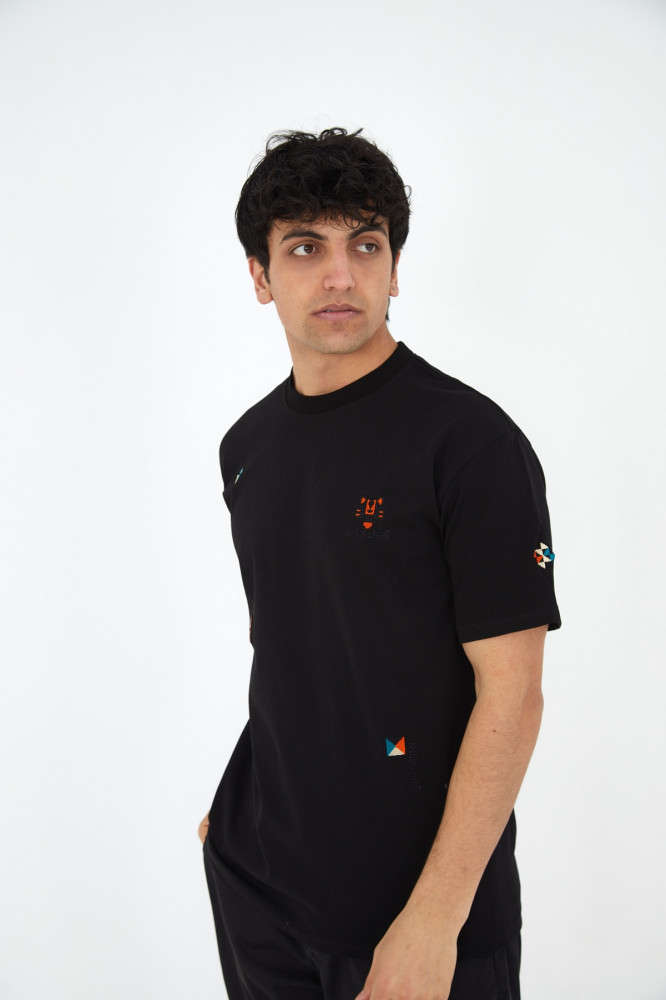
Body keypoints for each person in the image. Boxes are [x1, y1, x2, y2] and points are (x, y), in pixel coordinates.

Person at [199, 127, 560, 1000]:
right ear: (259, 275)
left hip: (415, 920)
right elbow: (289, 642)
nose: (340, 275)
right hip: (258, 886)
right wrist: (236, 810)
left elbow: (513, 695)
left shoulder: (470, 444)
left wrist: (433, 921)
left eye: (365, 245)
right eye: (304, 248)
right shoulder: (247, 446)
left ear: (394, 268)